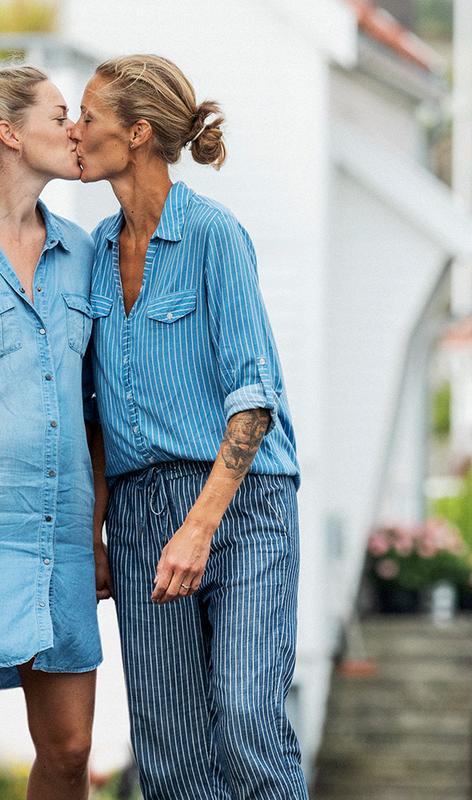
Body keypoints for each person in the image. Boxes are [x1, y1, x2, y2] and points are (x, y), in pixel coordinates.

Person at [71, 54, 309, 799]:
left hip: (241, 509)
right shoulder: (95, 256)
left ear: (138, 133)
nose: (74, 132)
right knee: (170, 756)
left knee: (244, 720)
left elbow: (255, 399)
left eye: (88, 117)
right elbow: (99, 415)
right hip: (141, 518)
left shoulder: (214, 237)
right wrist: (99, 534)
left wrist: (200, 527)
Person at [0, 65, 105, 800]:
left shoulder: (85, 255)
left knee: (69, 751)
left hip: (60, 534)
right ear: (9, 131)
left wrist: (96, 530)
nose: (77, 131)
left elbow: (98, 407)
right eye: (61, 114)